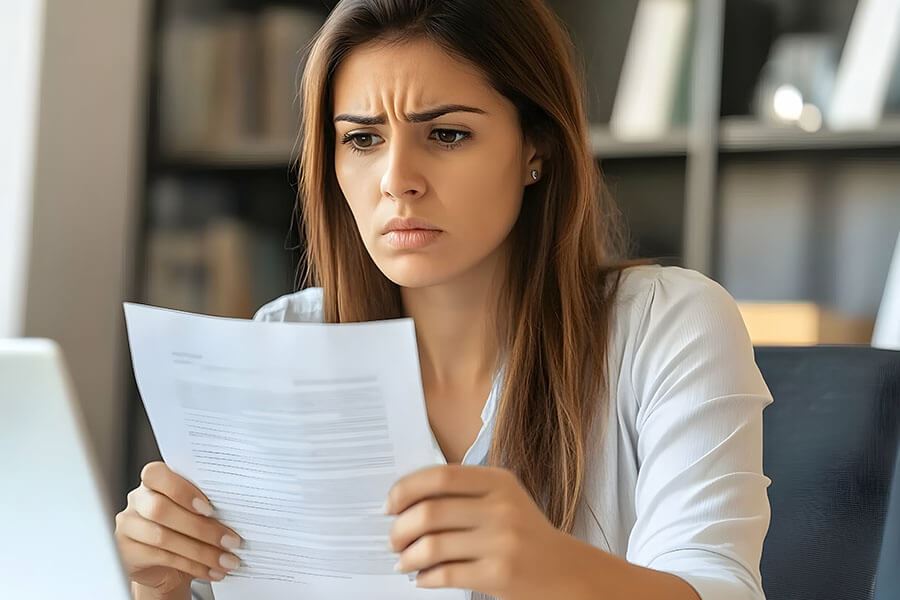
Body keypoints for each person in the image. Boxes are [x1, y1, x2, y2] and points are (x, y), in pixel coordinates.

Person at [114, 1, 774, 599]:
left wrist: (551, 567)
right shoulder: (286, 339)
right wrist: (161, 584)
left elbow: (719, 585)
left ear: (535, 147)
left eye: (447, 134)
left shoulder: (667, 324)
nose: (397, 181)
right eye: (362, 139)